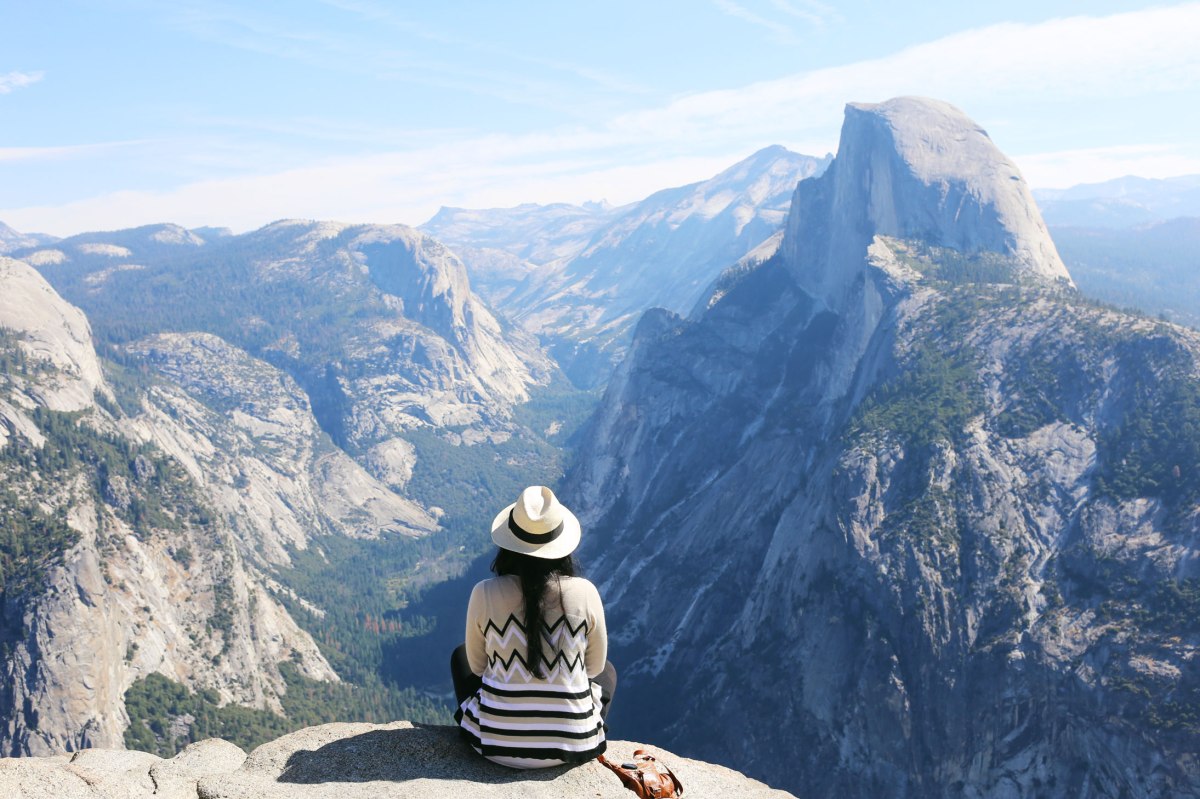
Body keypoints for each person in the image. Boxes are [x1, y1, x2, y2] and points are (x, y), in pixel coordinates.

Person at [451, 485, 616, 768]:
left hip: (494, 746)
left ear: (508, 546)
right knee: (609, 672)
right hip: (573, 747)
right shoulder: (584, 592)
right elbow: (595, 668)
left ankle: (503, 718)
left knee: (460, 656)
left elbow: (478, 668)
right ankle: (570, 725)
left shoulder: (484, 592)